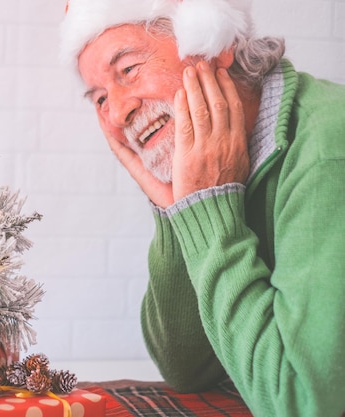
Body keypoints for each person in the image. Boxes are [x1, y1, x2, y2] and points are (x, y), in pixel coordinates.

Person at [60, 1, 345, 416]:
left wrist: (206, 208)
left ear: (215, 47)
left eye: (128, 70)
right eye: (100, 98)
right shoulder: (214, 164)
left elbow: (303, 403)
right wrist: (181, 210)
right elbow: (188, 368)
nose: (119, 112)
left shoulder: (327, 151)